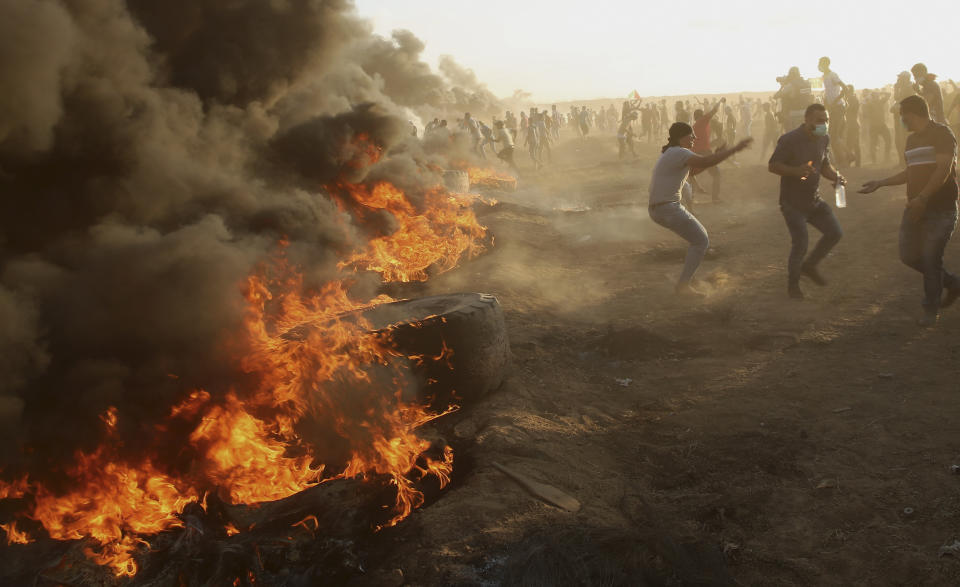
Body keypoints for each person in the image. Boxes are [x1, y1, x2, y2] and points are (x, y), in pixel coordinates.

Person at [858, 95, 960, 326]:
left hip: (940, 208)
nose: (901, 120)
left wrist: (923, 198)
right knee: (908, 256)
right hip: (916, 207)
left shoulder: (943, 134)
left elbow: (943, 170)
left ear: (913, 114)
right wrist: (881, 183)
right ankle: (953, 283)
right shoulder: (911, 140)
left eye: (903, 115)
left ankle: (930, 309)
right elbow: (910, 172)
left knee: (931, 258)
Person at [648, 122, 753, 295]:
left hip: (659, 209)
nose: (694, 139)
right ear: (681, 137)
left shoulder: (671, 153)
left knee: (696, 240)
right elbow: (705, 161)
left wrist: (717, 155)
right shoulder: (679, 152)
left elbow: (693, 171)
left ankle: (688, 276)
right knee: (701, 241)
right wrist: (734, 149)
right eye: (691, 136)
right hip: (667, 208)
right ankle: (683, 285)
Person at [768, 103, 846, 300]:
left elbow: (824, 165)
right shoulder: (790, 140)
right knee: (800, 243)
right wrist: (795, 171)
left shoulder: (823, 138)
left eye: (826, 120)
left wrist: (836, 177)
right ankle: (793, 286)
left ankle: (809, 266)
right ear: (807, 120)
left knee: (835, 233)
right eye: (820, 121)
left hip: (814, 199)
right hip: (792, 202)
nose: (824, 124)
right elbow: (773, 165)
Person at [691, 98, 725, 203]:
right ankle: (715, 198)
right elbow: (713, 111)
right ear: (700, 116)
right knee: (716, 174)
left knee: (690, 174)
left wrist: (715, 142)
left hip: (696, 154)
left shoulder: (696, 126)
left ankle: (692, 193)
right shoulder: (702, 122)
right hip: (705, 154)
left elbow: (701, 141)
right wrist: (720, 101)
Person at [864, 90, 892, 165]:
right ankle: (874, 160)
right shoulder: (871, 104)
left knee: (888, 140)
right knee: (873, 144)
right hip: (874, 126)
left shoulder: (880, 102)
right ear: (873, 97)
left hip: (881, 125)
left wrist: (880, 93)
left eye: (877, 96)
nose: (878, 97)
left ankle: (886, 158)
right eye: (876, 96)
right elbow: (865, 114)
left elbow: (889, 94)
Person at [893, 71, 914, 164]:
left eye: (901, 78)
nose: (899, 80)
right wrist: (896, 89)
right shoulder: (902, 88)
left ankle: (905, 161)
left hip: (906, 117)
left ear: (906, 78)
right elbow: (896, 97)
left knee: (903, 139)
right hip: (900, 116)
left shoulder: (910, 87)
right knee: (898, 139)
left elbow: (900, 99)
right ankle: (901, 161)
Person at [844, 85, 862, 168]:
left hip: (852, 124)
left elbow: (849, 110)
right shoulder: (851, 98)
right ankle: (854, 162)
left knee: (853, 144)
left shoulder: (852, 99)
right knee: (852, 144)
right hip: (852, 123)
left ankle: (854, 162)